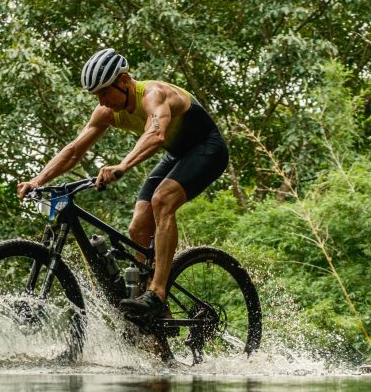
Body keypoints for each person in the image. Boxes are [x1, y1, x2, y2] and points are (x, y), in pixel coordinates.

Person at [16, 48, 229, 321]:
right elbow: (73, 151)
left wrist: (123, 165)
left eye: (106, 92)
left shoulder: (154, 94)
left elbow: (156, 132)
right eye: (97, 96)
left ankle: (157, 293)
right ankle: (143, 306)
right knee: (138, 225)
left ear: (125, 80)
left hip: (207, 148)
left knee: (162, 200)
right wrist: (37, 180)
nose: (102, 101)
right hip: (177, 155)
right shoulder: (105, 111)